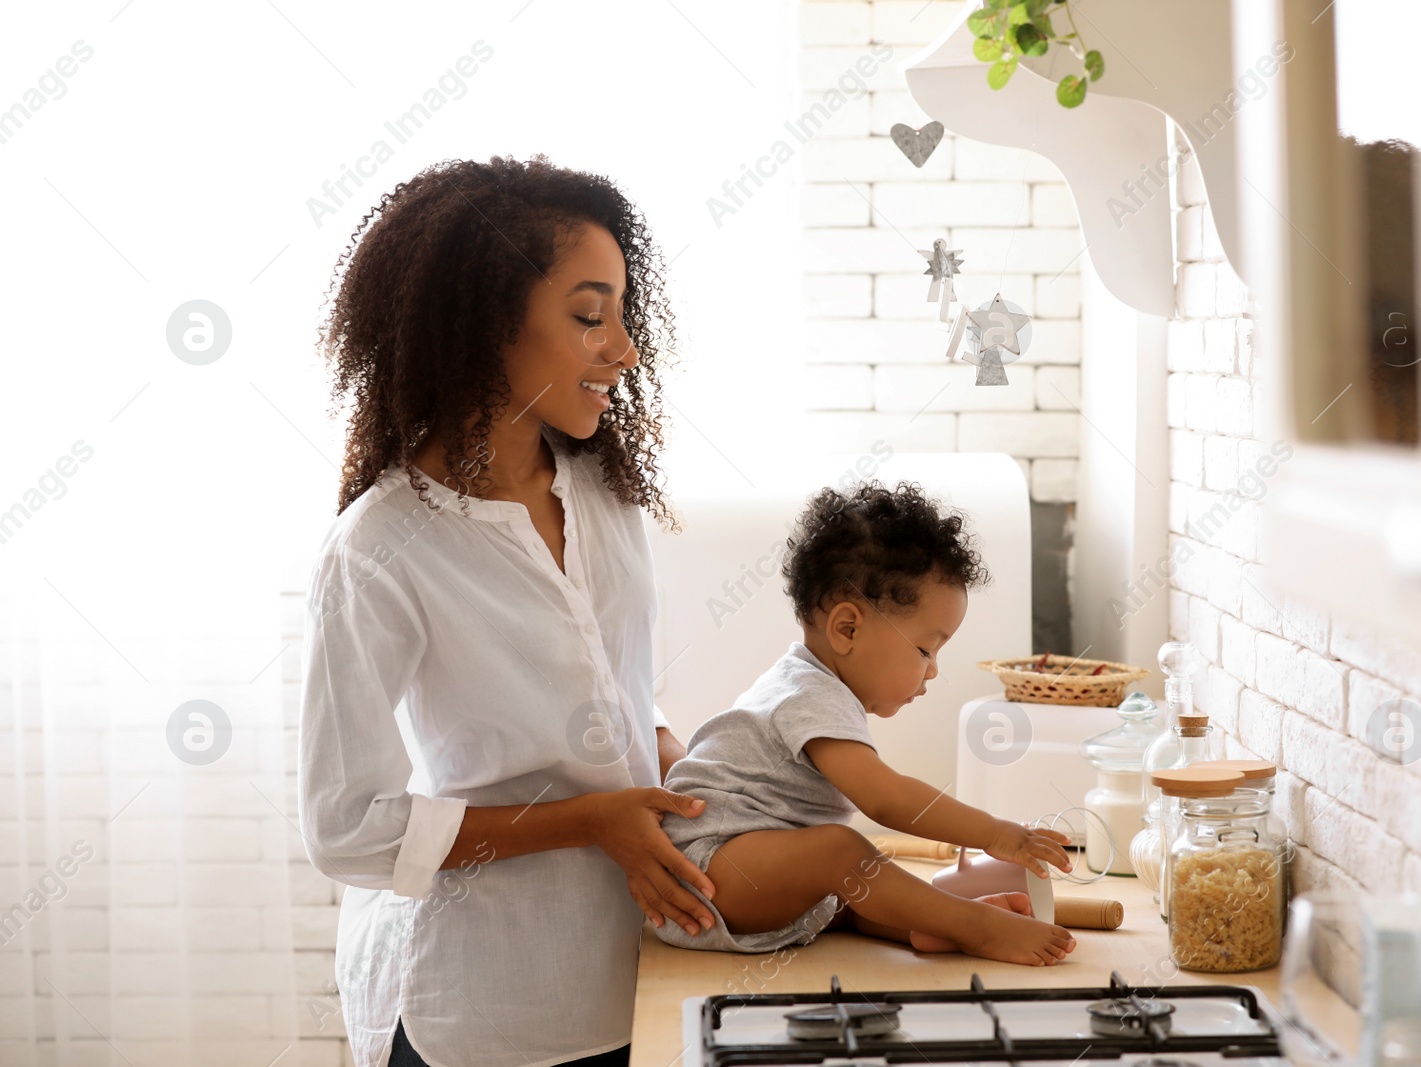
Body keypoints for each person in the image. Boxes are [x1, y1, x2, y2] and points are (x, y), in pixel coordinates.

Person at [298, 155, 723, 1067]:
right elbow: (346, 825)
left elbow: (600, 689)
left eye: (621, 315)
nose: (624, 348)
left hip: (630, 973)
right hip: (480, 1009)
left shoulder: (600, 491)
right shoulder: (379, 548)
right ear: (488, 323)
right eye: (587, 316)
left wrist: (674, 762)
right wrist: (590, 818)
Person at [652, 481, 1080, 966]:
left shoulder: (814, 690)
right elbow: (886, 798)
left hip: (742, 874)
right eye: (925, 649)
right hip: (706, 870)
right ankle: (972, 925)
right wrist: (995, 833)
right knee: (840, 851)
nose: (933, 670)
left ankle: (928, 923)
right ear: (847, 629)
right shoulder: (807, 695)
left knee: (852, 885)